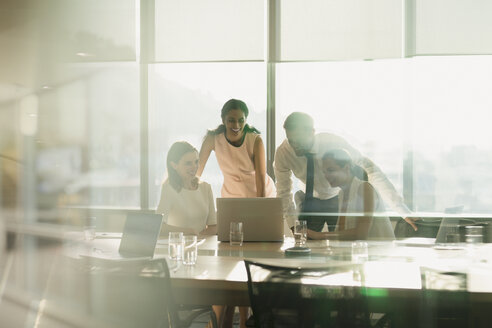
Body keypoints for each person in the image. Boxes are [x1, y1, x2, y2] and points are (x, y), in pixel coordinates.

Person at [273, 112, 417, 236]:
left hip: (338, 197)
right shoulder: (284, 152)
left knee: (341, 243)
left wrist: (401, 210)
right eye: (291, 140)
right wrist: (293, 226)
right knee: (306, 243)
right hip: (310, 200)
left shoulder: (332, 143)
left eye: (299, 141)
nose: (295, 146)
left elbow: (369, 169)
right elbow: (283, 192)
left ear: (312, 132)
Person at [309, 149, 395, 240]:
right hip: (358, 251)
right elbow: (342, 233)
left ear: (347, 168)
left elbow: (361, 234)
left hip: (379, 252)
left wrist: (318, 235)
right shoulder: (341, 194)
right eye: (324, 172)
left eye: (331, 170)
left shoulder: (364, 188)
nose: (326, 176)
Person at [197, 98, 275, 198]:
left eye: (241, 120)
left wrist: (260, 205)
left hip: (260, 195)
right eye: (231, 120)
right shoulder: (212, 139)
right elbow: (197, 171)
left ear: (246, 120)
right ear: (223, 120)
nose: (236, 125)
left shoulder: (255, 140)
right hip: (231, 197)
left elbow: (260, 177)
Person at [156, 141, 216, 236]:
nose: (194, 167)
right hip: (178, 246)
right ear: (174, 165)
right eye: (188, 163)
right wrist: (187, 231)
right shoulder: (169, 189)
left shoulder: (206, 187)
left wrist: (197, 240)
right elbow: (159, 226)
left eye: (196, 162)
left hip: (202, 246)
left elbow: (213, 226)